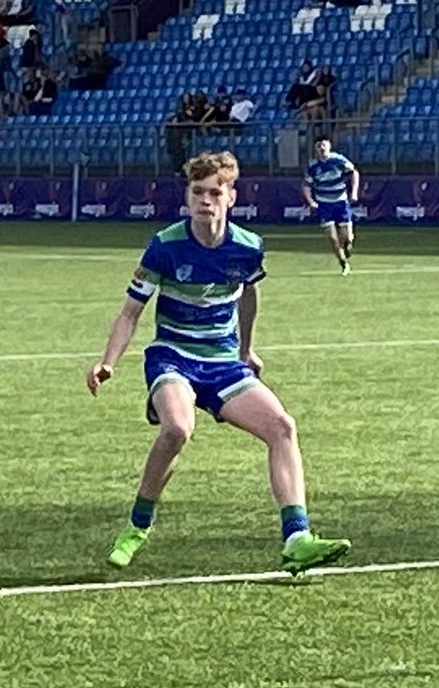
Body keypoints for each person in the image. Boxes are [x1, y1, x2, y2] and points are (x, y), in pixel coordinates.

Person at [85, 150, 351, 576]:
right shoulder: (165, 246)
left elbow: (249, 293)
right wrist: (108, 362)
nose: (205, 200)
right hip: (173, 355)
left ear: (231, 196)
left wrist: (246, 349)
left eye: (214, 192)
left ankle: (297, 538)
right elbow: (130, 312)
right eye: (197, 191)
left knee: (282, 427)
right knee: (177, 428)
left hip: (223, 362)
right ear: (187, 196)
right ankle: (137, 526)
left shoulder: (248, 247)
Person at [302, 135, 360, 275]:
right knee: (332, 238)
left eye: (324, 145)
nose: (321, 148)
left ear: (329, 146)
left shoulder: (338, 160)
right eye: (318, 146)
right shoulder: (313, 166)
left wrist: (354, 192)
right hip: (324, 205)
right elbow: (306, 185)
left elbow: (354, 173)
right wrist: (311, 201)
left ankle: (348, 245)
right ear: (315, 149)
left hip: (341, 202)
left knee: (346, 237)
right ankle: (343, 263)